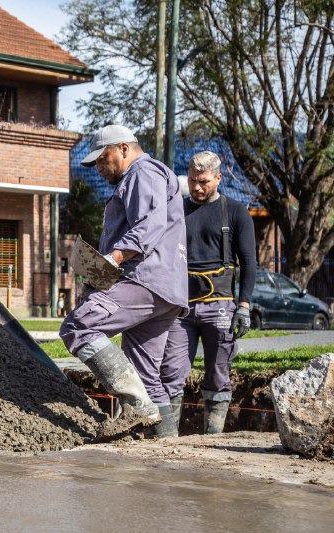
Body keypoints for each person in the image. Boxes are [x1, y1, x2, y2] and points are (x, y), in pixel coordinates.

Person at [60, 124, 188, 436]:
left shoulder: (142, 173)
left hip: (144, 280)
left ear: (123, 149)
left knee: (79, 325)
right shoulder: (147, 175)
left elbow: (149, 224)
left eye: (103, 160)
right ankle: (166, 449)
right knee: (146, 376)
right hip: (165, 290)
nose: (100, 169)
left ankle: (137, 406)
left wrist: (113, 258)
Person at [161, 151, 256, 435]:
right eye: (192, 181)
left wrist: (244, 306)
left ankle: (212, 441)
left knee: (218, 375)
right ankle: (167, 443)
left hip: (221, 307)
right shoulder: (177, 210)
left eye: (204, 181)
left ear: (218, 178)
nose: (197, 187)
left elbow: (249, 262)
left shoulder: (236, 212)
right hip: (181, 308)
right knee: (171, 373)